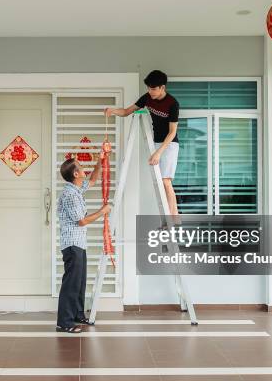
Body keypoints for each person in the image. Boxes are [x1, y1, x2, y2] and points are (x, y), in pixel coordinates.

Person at [105, 70, 180, 215]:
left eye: (153, 88)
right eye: (149, 88)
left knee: (165, 181)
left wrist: (158, 153)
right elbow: (127, 111)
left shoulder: (172, 104)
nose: (150, 91)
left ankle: (174, 218)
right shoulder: (147, 98)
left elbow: (172, 132)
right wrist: (112, 110)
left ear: (162, 87)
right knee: (160, 182)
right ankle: (168, 217)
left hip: (169, 144)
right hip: (156, 142)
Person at [56, 156, 110, 333]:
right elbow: (81, 221)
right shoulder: (70, 194)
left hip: (79, 243)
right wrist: (102, 212)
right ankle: (64, 322)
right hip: (72, 244)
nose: (83, 168)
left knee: (79, 282)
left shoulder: (77, 189)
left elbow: (93, 179)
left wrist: (101, 161)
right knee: (71, 283)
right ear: (75, 173)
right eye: (80, 167)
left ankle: (78, 314)